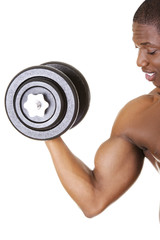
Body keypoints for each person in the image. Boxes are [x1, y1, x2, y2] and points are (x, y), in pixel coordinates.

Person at [45, 0, 160, 218]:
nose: (139, 61)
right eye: (138, 49)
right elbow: (94, 197)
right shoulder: (139, 116)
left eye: (151, 51)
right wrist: (48, 130)